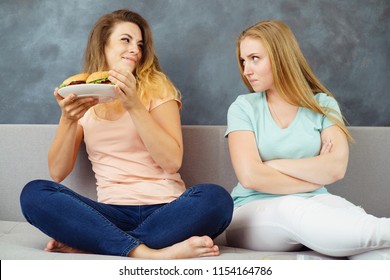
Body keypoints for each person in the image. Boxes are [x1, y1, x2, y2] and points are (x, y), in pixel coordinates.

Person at [20, 9, 233, 259]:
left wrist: (134, 104)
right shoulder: (83, 95)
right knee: (34, 194)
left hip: (166, 211)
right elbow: (57, 172)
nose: (136, 50)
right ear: (103, 45)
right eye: (126, 40)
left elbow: (171, 161)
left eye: (140, 44)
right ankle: (151, 253)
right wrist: (68, 119)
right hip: (109, 214)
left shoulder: (158, 87)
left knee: (217, 199)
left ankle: (100, 243)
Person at [224, 19, 390, 259]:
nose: (246, 70)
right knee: (292, 208)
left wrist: (274, 165)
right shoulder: (243, 107)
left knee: (372, 242)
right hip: (251, 210)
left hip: (316, 201)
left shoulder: (323, 104)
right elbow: (251, 177)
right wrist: (312, 177)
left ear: (281, 57)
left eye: (255, 58)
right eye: (243, 60)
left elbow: (335, 169)